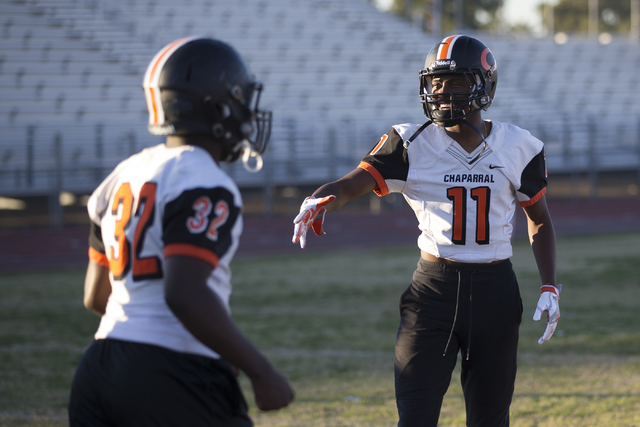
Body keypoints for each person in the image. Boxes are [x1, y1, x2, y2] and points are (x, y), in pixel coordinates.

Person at [292, 35, 561, 427]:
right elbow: (352, 183)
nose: (442, 93)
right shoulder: (409, 142)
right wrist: (321, 198)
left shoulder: (519, 145)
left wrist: (549, 285)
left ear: (484, 85)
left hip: (495, 292)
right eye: (436, 83)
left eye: (454, 82)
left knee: (491, 418)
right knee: (415, 417)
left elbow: (539, 218)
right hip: (433, 290)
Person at [69, 37, 294, 427]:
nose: (245, 112)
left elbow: (95, 296)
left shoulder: (123, 173)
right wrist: (261, 372)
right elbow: (184, 294)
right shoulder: (203, 180)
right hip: (172, 372)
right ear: (216, 105)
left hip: (96, 369)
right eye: (238, 99)